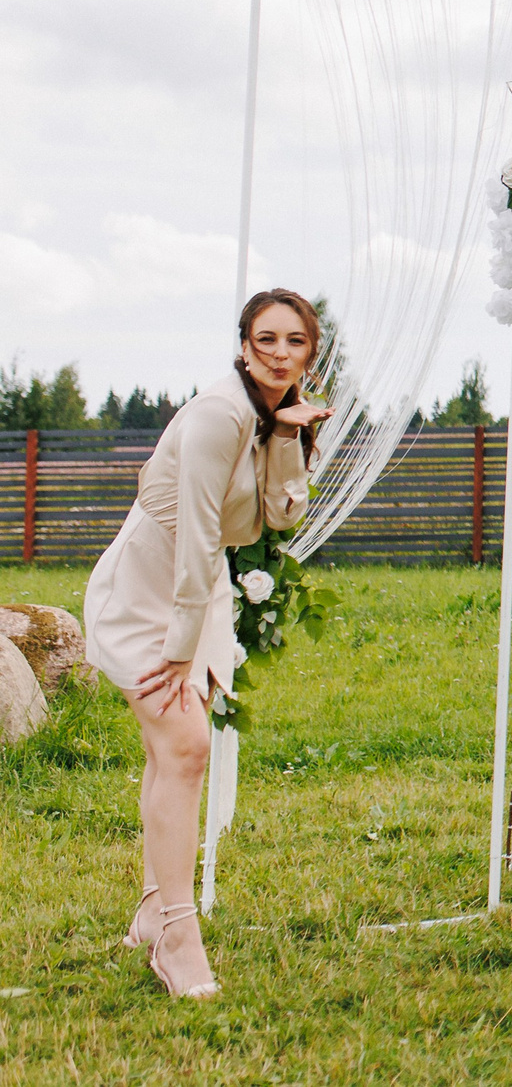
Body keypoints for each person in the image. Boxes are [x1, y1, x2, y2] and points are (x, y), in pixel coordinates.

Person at [84, 288, 333, 999]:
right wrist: (178, 647)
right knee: (187, 747)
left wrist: (288, 436)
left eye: (294, 342)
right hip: (149, 589)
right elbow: (195, 535)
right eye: (266, 339)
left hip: (198, 592)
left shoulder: (271, 413)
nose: (280, 353)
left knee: (172, 751)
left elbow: (281, 517)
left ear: (309, 350)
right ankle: (177, 932)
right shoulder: (219, 415)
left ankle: (149, 909)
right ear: (244, 342)